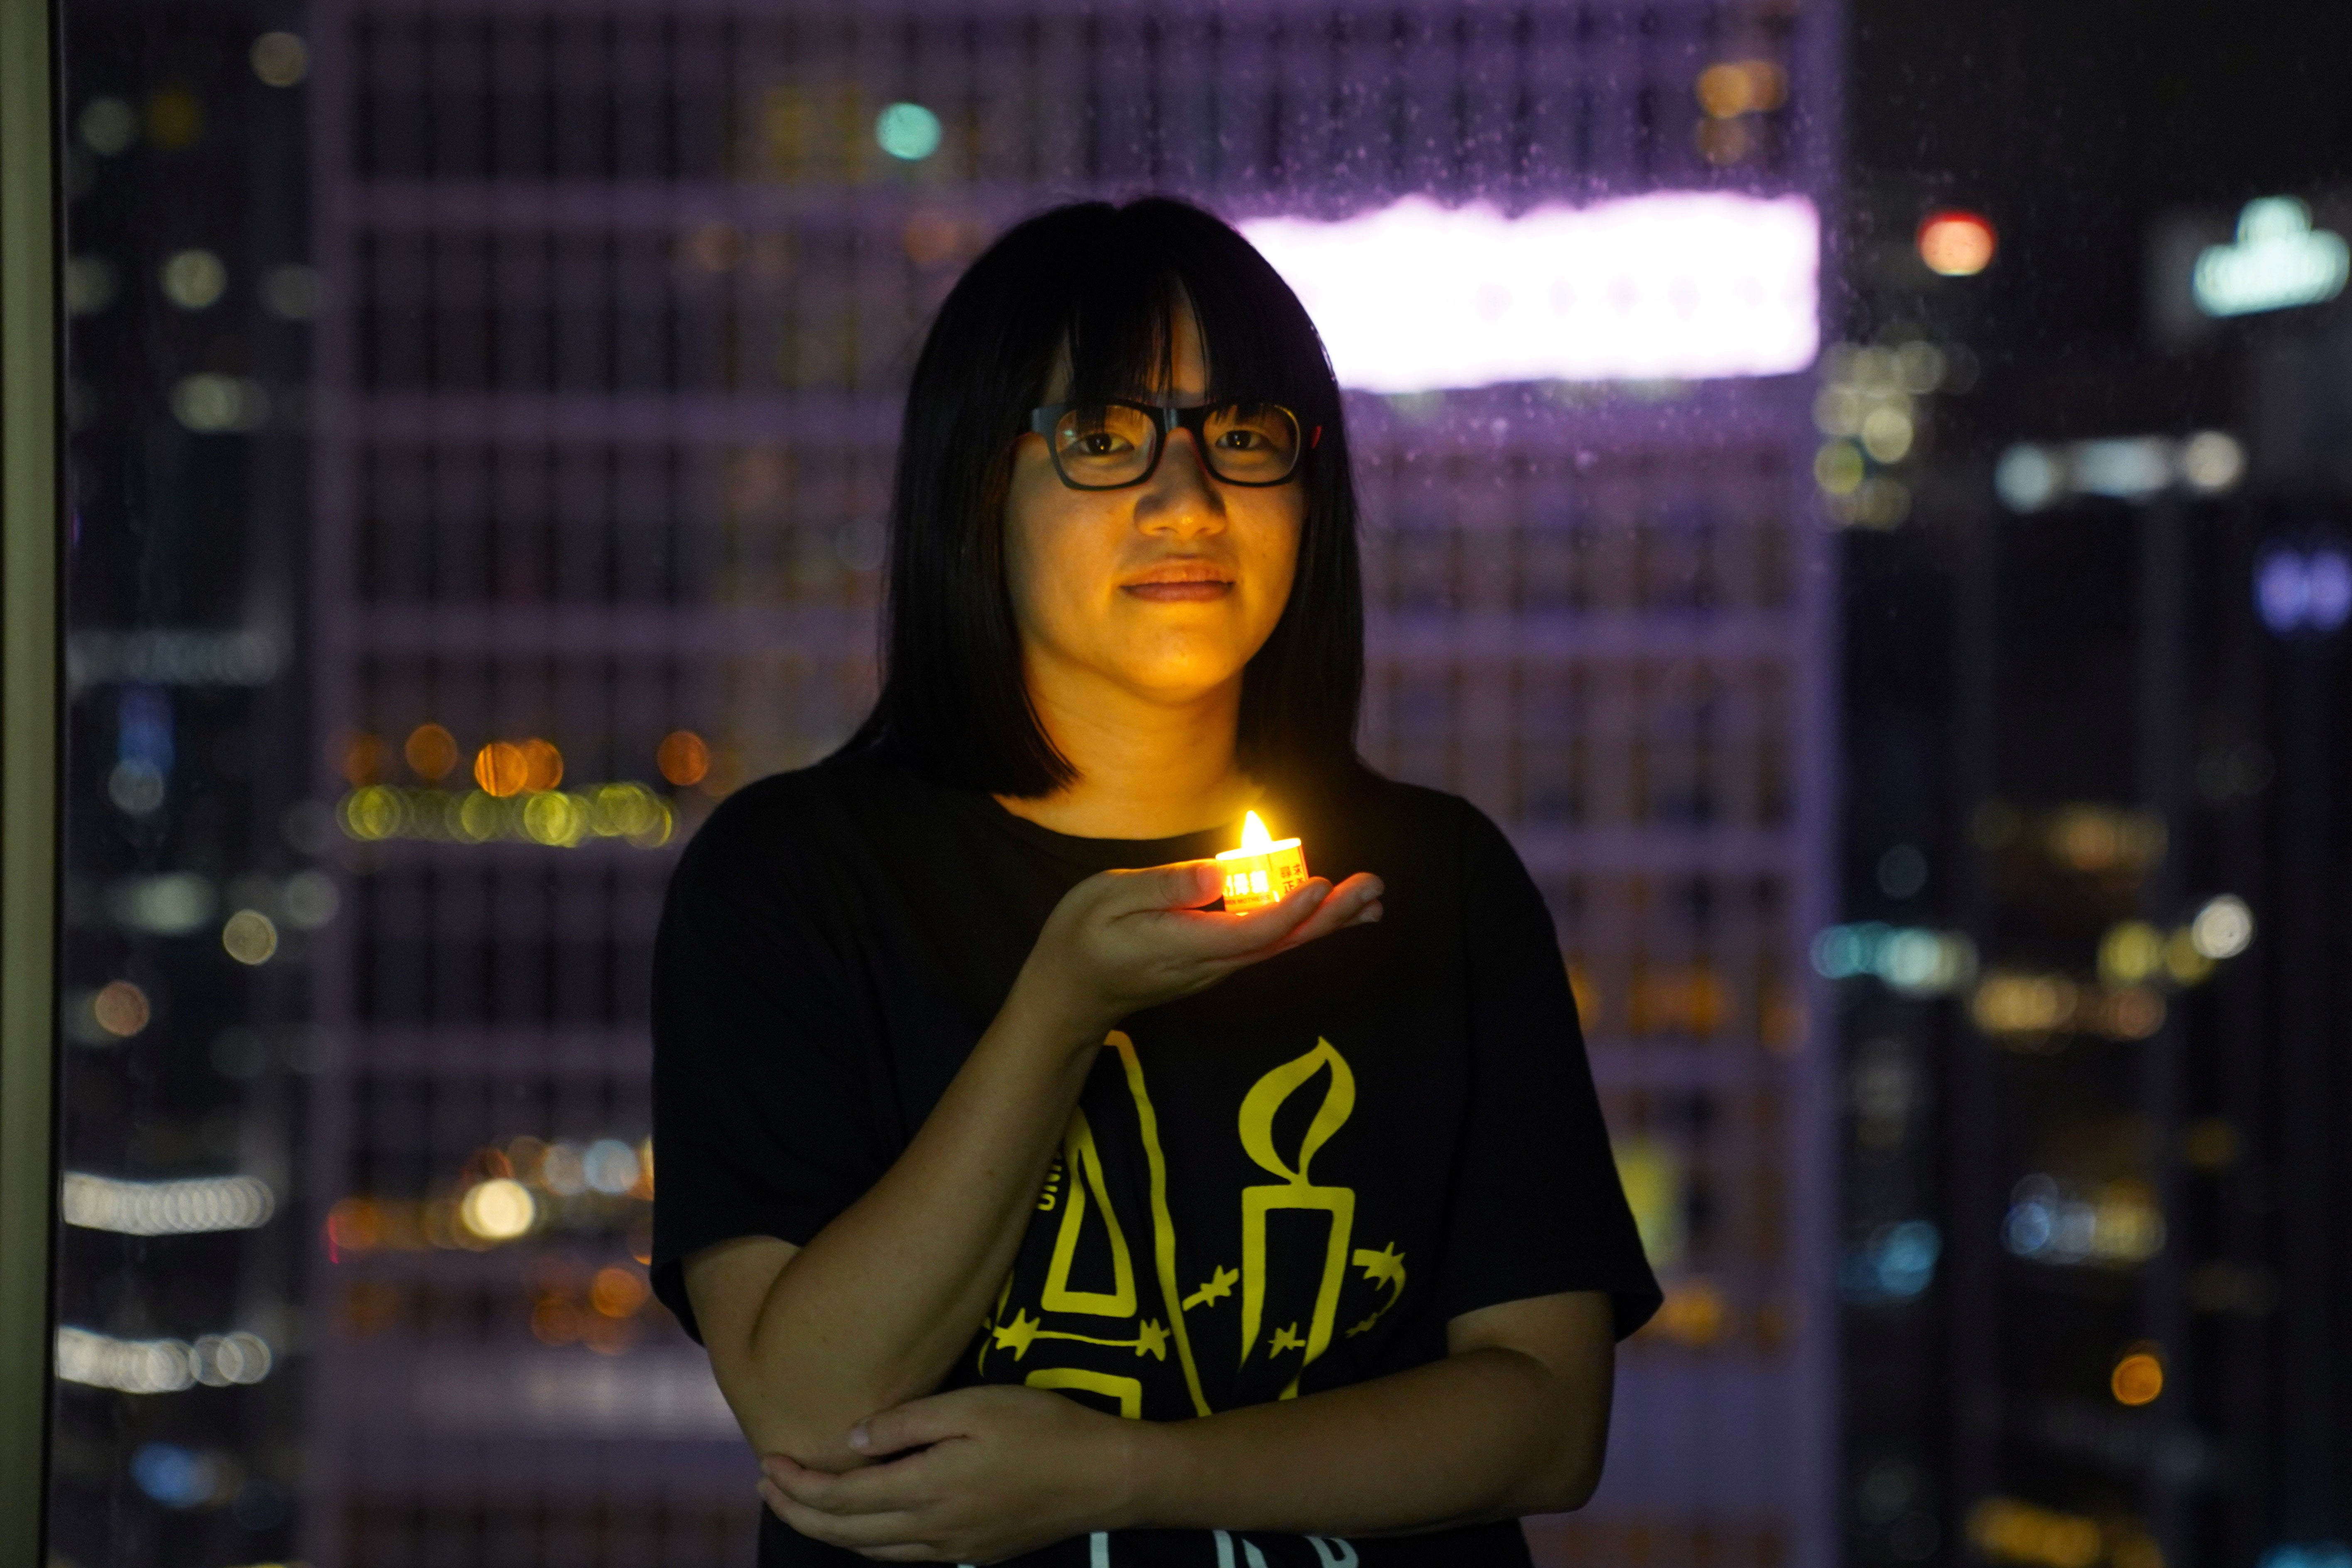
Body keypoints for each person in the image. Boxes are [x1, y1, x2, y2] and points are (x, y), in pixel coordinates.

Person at [650, 196, 1660, 1568]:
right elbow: (812, 1407)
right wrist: (1061, 1005)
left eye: (1243, 438)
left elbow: (1549, 1422)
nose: (1187, 502)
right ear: (974, 490)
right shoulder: (798, 878)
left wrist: (1130, 1474)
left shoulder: (1439, 879)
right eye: (1105, 438)